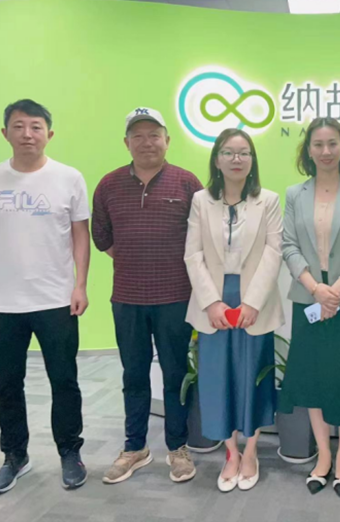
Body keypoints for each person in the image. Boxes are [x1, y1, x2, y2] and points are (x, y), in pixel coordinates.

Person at [0, 99, 90, 494]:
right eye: (18, 127)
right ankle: (15, 456)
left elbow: (80, 234)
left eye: (35, 127)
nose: (27, 134)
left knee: (64, 381)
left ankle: (70, 452)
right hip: (2, 303)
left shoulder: (69, 178)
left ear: (49, 133)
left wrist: (80, 284)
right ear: (5, 133)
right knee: (7, 385)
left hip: (56, 300)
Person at [92, 107, 202, 485]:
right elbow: (102, 237)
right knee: (134, 374)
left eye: (154, 135)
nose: (146, 142)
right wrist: (137, 259)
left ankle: (178, 447)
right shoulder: (109, 185)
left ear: (167, 140)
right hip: (127, 298)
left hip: (176, 297)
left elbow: (201, 238)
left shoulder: (187, 183)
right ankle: (134, 447)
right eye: (137, 136)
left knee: (175, 374)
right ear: (126, 143)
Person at [278, 117, 340, 497]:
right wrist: (316, 288)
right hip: (309, 299)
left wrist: (335, 290)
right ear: (308, 150)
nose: (325, 151)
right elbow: (289, 246)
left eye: (332, 143)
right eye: (318, 144)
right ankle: (323, 455)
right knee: (314, 379)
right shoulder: (294, 193)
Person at [184, 128, 284, 492]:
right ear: (217, 159)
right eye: (228, 152)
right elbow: (193, 253)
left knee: (251, 375)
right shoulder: (200, 200)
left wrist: (253, 302)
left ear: (253, 160)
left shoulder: (268, 200)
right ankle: (231, 453)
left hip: (255, 301)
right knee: (217, 378)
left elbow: (273, 252)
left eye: (244, 153)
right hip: (213, 301)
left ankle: (251, 451)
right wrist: (211, 302)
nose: (236, 159)